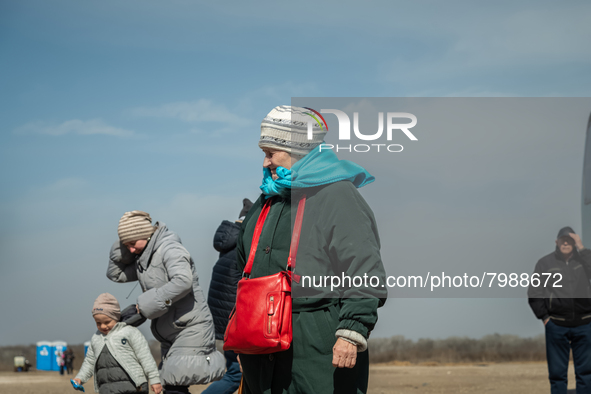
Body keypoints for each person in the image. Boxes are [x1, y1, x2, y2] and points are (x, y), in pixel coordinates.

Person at [234, 105, 387, 394]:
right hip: (261, 347)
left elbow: (365, 269)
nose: (265, 162)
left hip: (318, 346)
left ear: (297, 149)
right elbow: (243, 270)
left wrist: (351, 332)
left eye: (271, 153)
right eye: (263, 153)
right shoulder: (267, 200)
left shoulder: (337, 195)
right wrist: (244, 337)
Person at [107, 211, 225, 394]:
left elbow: (183, 281)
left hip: (190, 328)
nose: (130, 250)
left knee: (173, 387)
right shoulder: (144, 259)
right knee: (169, 386)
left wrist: (146, 305)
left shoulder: (169, 248)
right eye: (126, 245)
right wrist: (122, 245)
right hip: (171, 332)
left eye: (132, 243)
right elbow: (116, 274)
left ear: (145, 234)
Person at [528, 226, 591, 394]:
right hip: (556, 325)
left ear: (575, 241)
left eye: (570, 239)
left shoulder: (584, 260)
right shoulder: (545, 263)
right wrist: (545, 318)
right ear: (556, 242)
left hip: (585, 324)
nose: (566, 242)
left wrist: (582, 248)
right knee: (557, 374)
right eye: (562, 239)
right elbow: (534, 292)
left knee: (586, 373)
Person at [202, 198, 253, 394]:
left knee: (237, 373)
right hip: (238, 322)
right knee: (236, 375)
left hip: (224, 324)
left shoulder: (228, 244)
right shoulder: (244, 245)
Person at [73, 293, 162, 394]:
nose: (103, 326)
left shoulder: (129, 332)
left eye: (107, 322)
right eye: (98, 323)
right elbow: (89, 362)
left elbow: (145, 357)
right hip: (106, 389)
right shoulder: (96, 338)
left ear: (116, 317)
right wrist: (80, 378)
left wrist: (154, 379)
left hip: (134, 387)